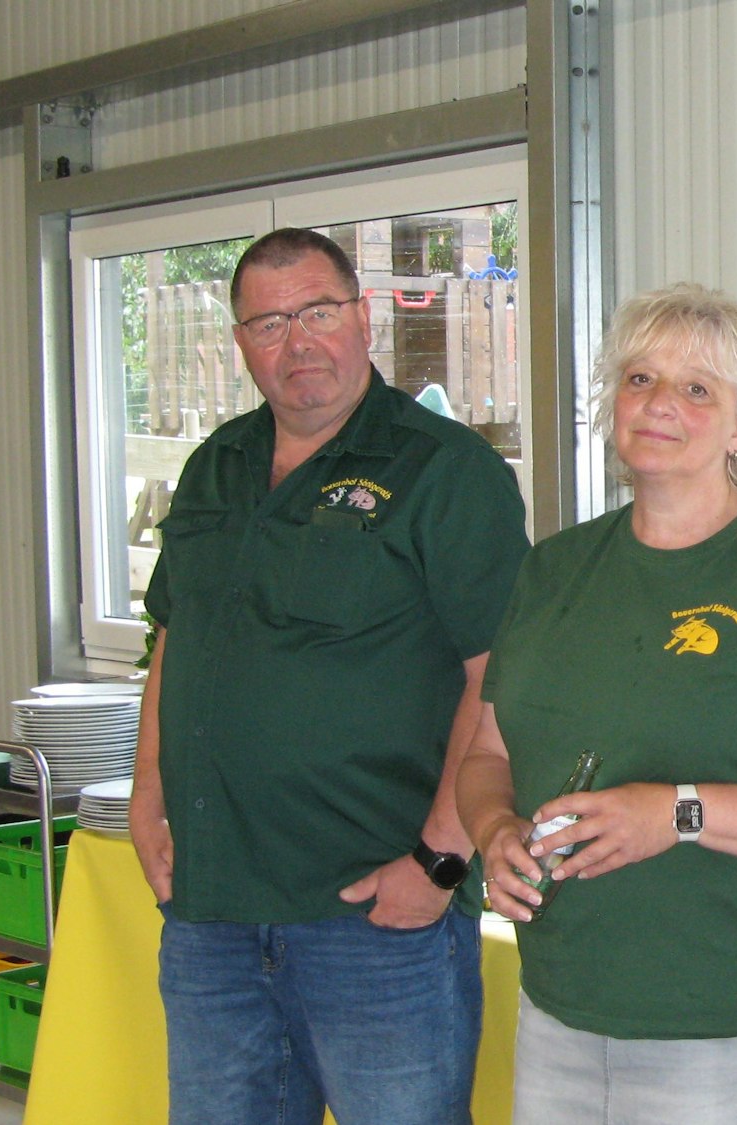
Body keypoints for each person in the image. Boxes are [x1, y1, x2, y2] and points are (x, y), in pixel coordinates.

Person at [456, 283, 737, 1125]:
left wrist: (678, 812)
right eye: (640, 379)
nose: (660, 405)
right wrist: (492, 832)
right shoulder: (555, 571)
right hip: (564, 1007)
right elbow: (487, 754)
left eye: (698, 389)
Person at [128, 227, 530, 1124]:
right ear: (240, 342)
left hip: (373, 920)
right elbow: (172, 639)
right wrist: (146, 789)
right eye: (268, 323)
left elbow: (499, 679)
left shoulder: (446, 473)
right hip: (212, 913)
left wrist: (436, 858)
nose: (296, 342)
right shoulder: (213, 470)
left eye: (316, 312)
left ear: (364, 317)